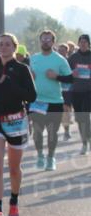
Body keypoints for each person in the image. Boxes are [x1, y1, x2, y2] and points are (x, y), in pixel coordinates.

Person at [0, 33, 37, 216]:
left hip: (16, 120)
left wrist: (11, 85)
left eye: (8, 44)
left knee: (14, 169)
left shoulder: (22, 69)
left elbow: (31, 96)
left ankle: (13, 202)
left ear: (15, 48)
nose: (4, 47)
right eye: (1, 44)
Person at [28, 29, 73, 171]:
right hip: (37, 101)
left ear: (53, 42)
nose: (45, 41)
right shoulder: (34, 58)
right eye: (43, 39)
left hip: (55, 101)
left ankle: (51, 158)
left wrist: (57, 77)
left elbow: (70, 79)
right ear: (40, 41)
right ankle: (41, 155)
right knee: (37, 132)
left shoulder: (60, 59)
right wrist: (31, 78)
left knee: (52, 132)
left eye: (48, 39)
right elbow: (28, 77)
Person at [68, 34, 91, 155]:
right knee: (80, 118)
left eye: (85, 42)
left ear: (88, 44)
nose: (83, 44)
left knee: (85, 115)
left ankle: (87, 141)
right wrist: (72, 72)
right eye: (81, 42)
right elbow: (66, 72)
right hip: (76, 91)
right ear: (78, 43)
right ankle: (84, 142)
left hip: (88, 91)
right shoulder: (73, 57)